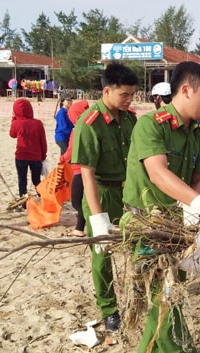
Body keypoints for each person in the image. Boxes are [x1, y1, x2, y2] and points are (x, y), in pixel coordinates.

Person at [123, 61, 200, 353]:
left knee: (164, 301)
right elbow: (157, 173)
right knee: (170, 299)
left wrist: (193, 209)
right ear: (186, 89)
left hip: (177, 227)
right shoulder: (149, 125)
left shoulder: (198, 135)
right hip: (147, 227)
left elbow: (196, 178)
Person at [71, 61, 139, 331]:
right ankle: (109, 308)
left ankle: (139, 295)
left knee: (138, 244)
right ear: (107, 91)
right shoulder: (90, 124)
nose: (129, 100)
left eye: (132, 95)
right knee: (102, 254)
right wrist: (97, 216)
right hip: (100, 191)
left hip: (128, 191)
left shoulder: (131, 119)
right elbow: (86, 173)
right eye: (124, 95)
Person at [59, 100, 90, 237]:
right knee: (86, 199)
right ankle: (79, 228)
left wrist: (62, 159)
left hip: (80, 169)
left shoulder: (78, 129)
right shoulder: (94, 126)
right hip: (92, 169)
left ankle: (83, 227)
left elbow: (71, 150)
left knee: (77, 200)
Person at [9, 98, 47, 201]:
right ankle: (43, 198)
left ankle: (24, 201)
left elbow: (12, 134)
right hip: (35, 156)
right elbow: (43, 141)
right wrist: (43, 155)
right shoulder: (38, 123)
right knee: (37, 180)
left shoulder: (17, 123)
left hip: (21, 156)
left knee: (22, 180)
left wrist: (14, 119)